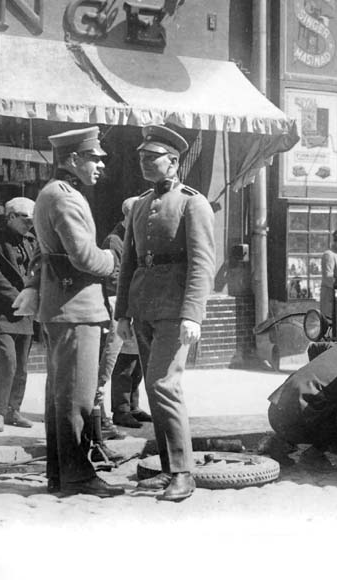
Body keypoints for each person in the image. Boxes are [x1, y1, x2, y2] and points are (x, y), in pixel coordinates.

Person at [21, 126, 124, 497]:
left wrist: (35, 287)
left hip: (62, 307)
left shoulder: (52, 193)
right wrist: (116, 260)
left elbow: (41, 253)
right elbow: (83, 257)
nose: (100, 165)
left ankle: (59, 474)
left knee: (60, 398)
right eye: (94, 158)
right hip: (76, 308)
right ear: (73, 159)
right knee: (77, 399)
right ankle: (78, 477)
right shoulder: (65, 198)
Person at [115, 124, 215, 502]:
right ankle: (167, 466)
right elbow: (128, 263)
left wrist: (194, 314)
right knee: (155, 392)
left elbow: (203, 262)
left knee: (163, 385)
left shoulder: (193, 202)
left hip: (175, 310)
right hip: (143, 308)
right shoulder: (140, 204)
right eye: (141, 156)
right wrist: (123, 313)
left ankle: (183, 473)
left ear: (173, 162)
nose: (143, 161)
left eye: (151, 156)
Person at [97, 196, 149, 430]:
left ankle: (133, 405)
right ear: (129, 215)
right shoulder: (115, 240)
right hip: (122, 304)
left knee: (137, 359)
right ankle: (121, 409)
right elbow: (114, 277)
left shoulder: (135, 237)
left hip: (137, 303)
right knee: (123, 360)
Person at [267, 342, 337, 472]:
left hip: (275, 410)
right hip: (298, 422)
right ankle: (313, 455)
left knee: (316, 400)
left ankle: (280, 442)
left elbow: (313, 347)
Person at [0, 197, 38, 432]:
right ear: (11, 217)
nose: (30, 225)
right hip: (1, 312)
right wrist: (19, 299)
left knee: (21, 365)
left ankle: (13, 410)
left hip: (26, 313)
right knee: (7, 361)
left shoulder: (31, 240)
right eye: (26, 220)